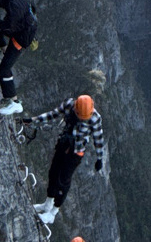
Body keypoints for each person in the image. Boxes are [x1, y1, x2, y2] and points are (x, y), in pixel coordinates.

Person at [23, 94, 104, 225]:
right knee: (53, 172)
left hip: (76, 152)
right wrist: (33, 120)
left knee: (64, 180)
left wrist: (99, 158)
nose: (81, 119)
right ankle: (47, 204)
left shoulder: (95, 118)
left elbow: (98, 138)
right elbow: (52, 115)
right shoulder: (68, 105)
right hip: (64, 144)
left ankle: (53, 213)